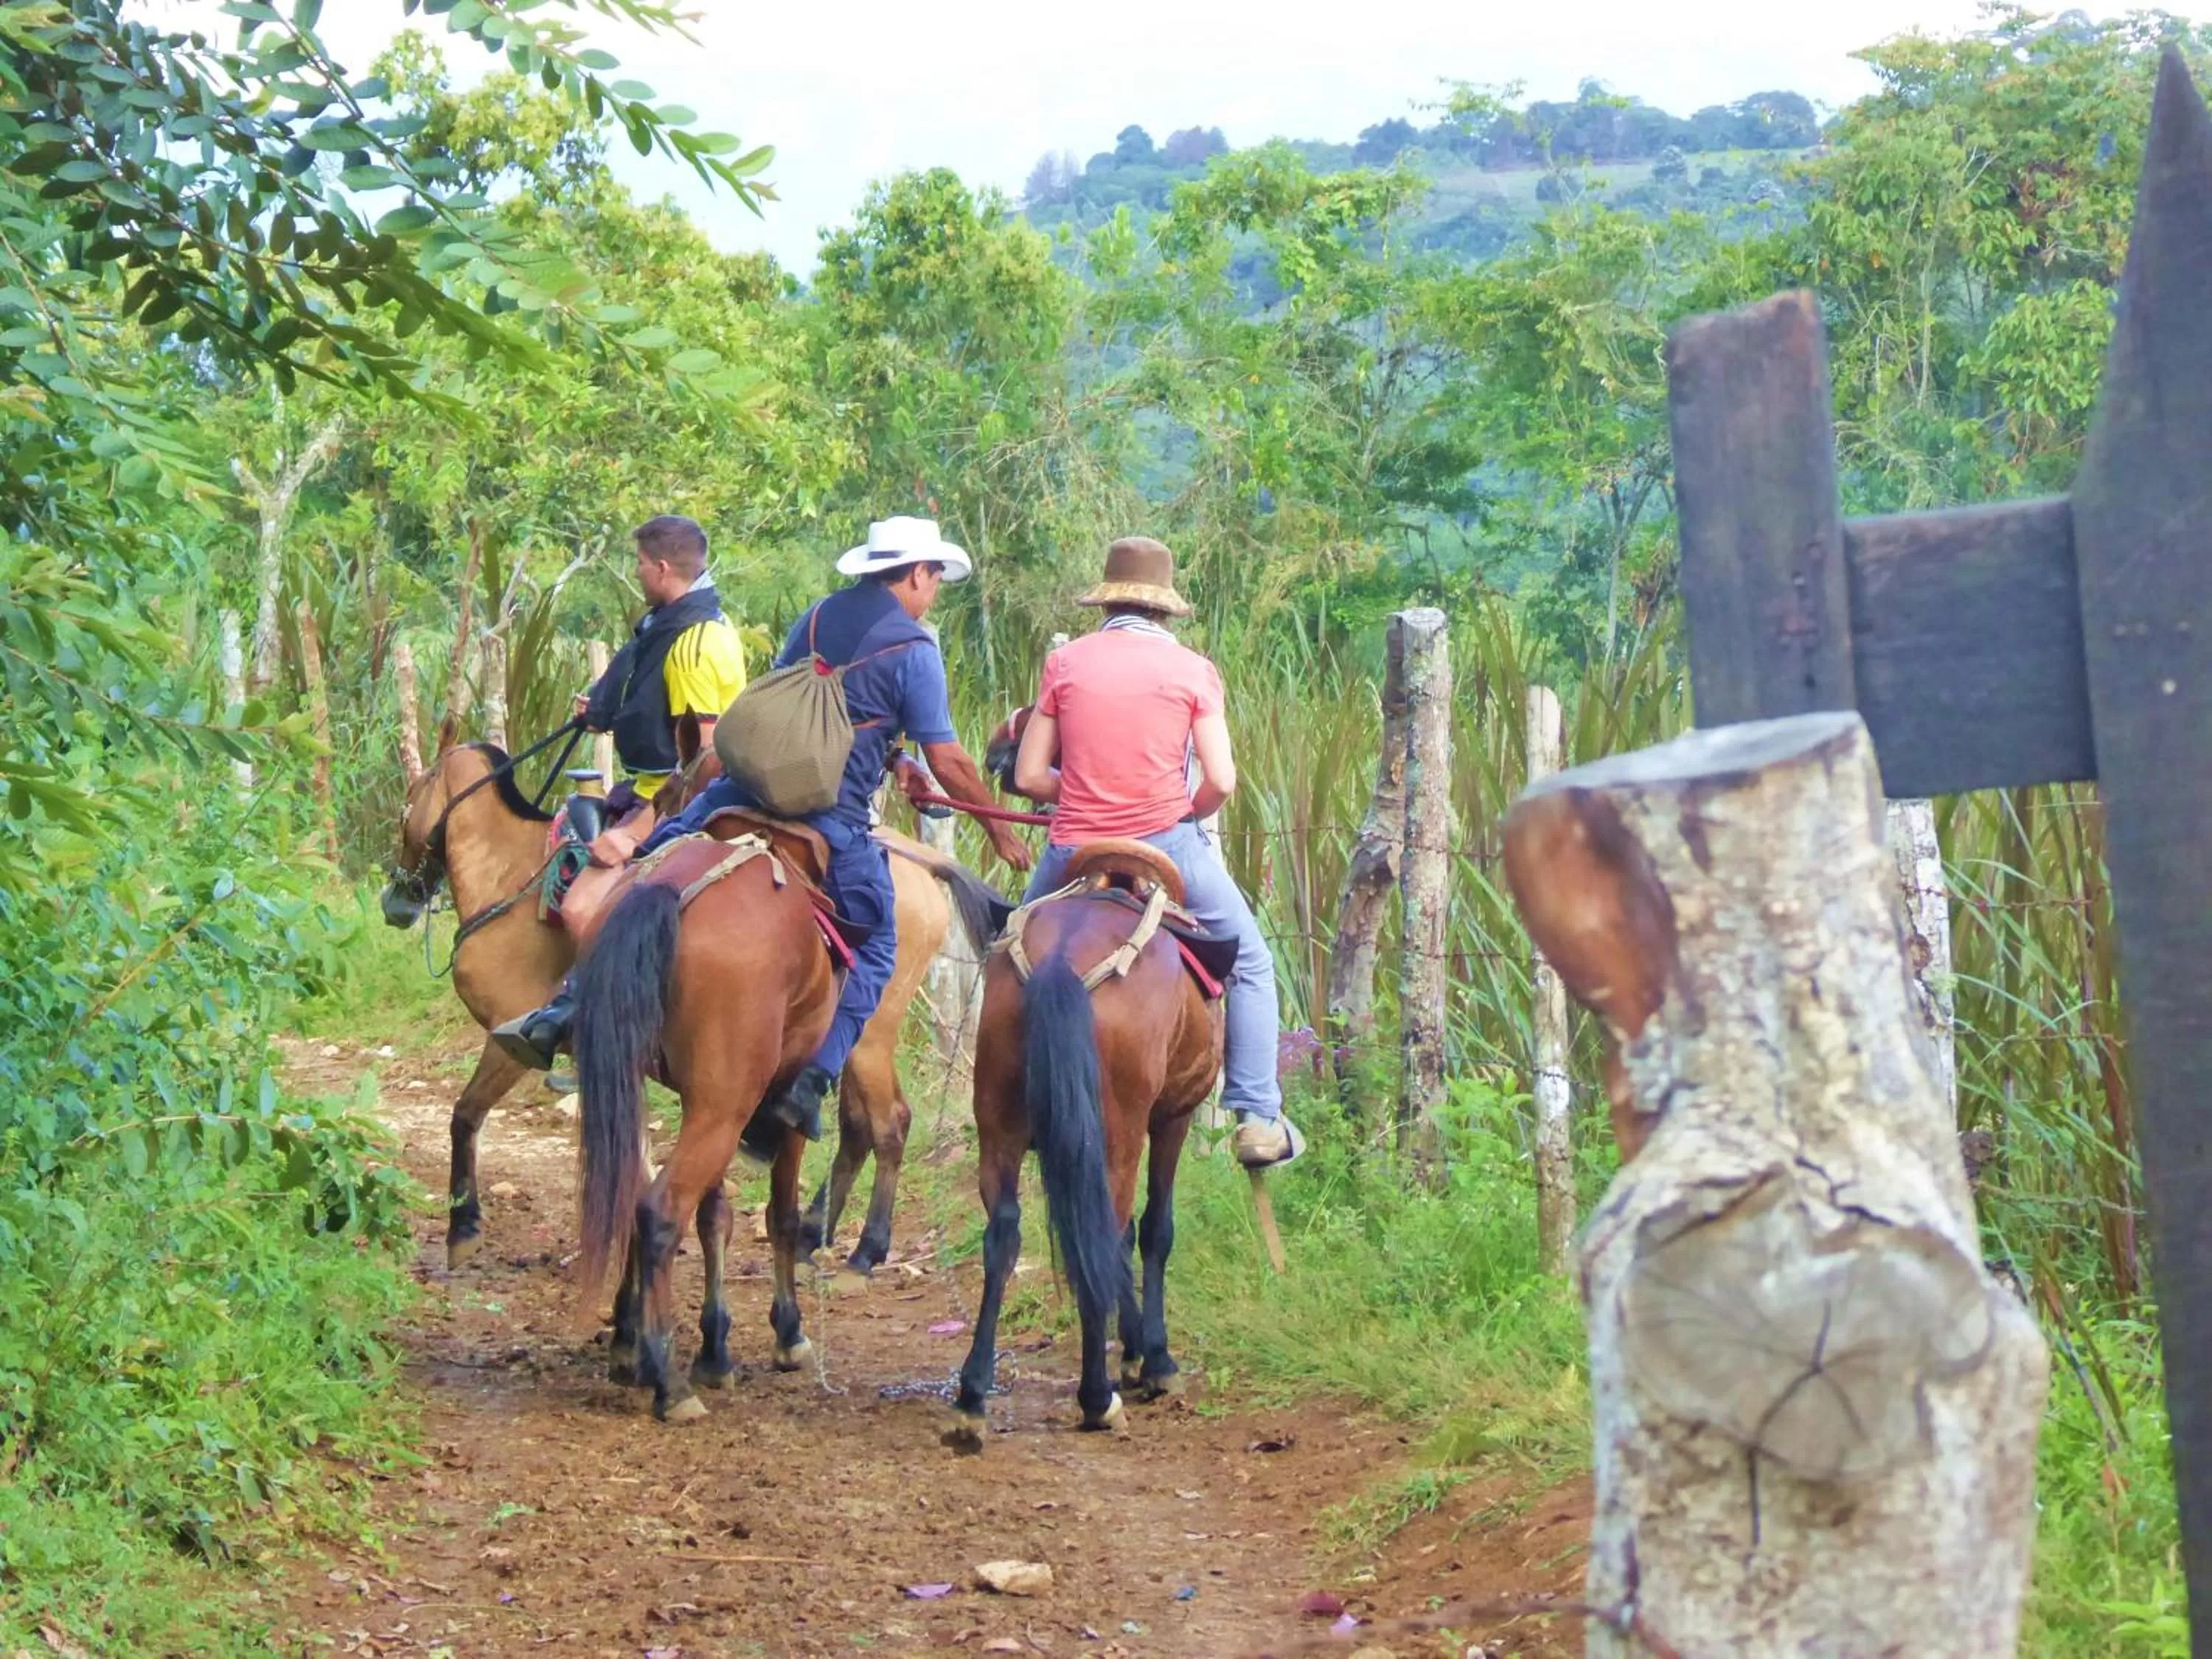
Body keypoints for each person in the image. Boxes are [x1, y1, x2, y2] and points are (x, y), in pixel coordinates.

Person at [494, 515, 1029, 1160]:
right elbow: (952, 762)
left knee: (647, 865)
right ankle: (808, 1084)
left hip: (739, 792)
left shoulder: (815, 617)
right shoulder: (915, 651)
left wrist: (894, 758)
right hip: (828, 815)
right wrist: (998, 831)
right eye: (935, 576)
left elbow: (794, 710)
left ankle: (566, 1007)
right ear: (917, 573)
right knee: (880, 942)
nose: (935, 589)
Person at [1010, 536, 1303, 1169]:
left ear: (1106, 601)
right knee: (1251, 960)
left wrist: (1083, 789)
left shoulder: (1066, 664)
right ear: (1165, 608)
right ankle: (1256, 1116)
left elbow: (1031, 776)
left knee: (1010, 952)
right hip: (1167, 843)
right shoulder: (1195, 671)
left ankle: (1015, 1099)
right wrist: (1184, 813)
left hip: (1073, 846)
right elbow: (1221, 781)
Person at [569, 513, 748, 846]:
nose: (637, 572)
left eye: (641, 563)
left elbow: (703, 763)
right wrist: (602, 712)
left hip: (667, 806)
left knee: (577, 898)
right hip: (648, 790)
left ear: (662, 569)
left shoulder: (690, 647)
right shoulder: (703, 623)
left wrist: (639, 830)